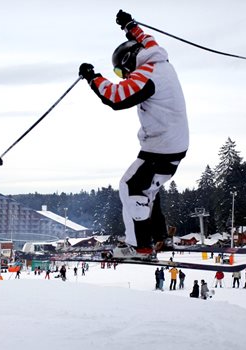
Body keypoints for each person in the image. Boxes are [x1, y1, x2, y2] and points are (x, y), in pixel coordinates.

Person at [79, 10, 189, 258]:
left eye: (120, 71)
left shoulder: (147, 73)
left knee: (129, 187)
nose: (123, 75)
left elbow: (115, 97)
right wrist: (129, 25)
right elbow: (146, 39)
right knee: (148, 190)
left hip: (161, 147)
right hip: (171, 143)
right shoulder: (157, 57)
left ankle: (139, 246)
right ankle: (160, 238)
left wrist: (92, 76)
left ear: (129, 60)